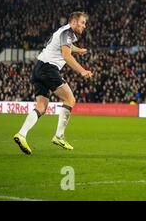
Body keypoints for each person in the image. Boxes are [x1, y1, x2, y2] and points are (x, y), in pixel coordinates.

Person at [13, 12, 93, 155]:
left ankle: (21, 134)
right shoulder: (67, 33)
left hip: (39, 67)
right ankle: (59, 136)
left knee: (42, 107)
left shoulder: (64, 32)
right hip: (49, 69)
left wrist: (78, 50)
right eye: (82, 22)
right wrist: (82, 71)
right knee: (70, 99)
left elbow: (67, 46)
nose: (84, 26)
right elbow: (66, 56)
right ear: (73, 22)